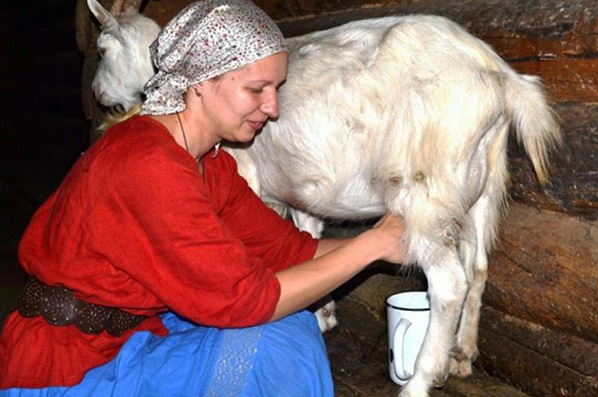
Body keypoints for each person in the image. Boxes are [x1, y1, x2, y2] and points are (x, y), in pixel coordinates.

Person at [0, 1, 407, 395]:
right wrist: (369, 247)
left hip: (130, 337)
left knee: (288, 326)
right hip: (65, 366)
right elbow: (245, 300)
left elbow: (287, 250)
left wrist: (398, 242)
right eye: (256, 89)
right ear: (200, 82)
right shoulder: (146, 163)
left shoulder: (207, 163)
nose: (273, 107)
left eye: (276, 89)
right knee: (268, 347)